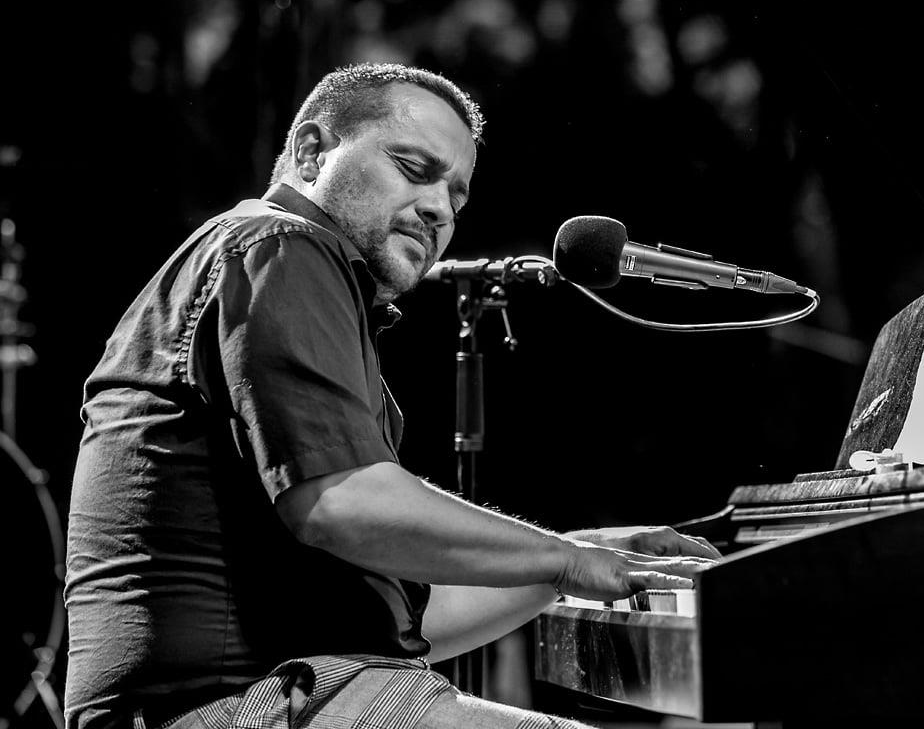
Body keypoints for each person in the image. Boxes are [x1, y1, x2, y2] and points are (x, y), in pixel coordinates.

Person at [63, 63, 718, 729]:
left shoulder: (273, 266)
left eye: (456, 198)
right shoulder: (279, 246)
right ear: (311, 153)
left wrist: (578, 559)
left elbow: (408, 622)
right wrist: (568, 559)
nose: (440, 211)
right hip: (233, 707)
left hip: (277, 695)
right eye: (413, 168)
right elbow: (343, 504)